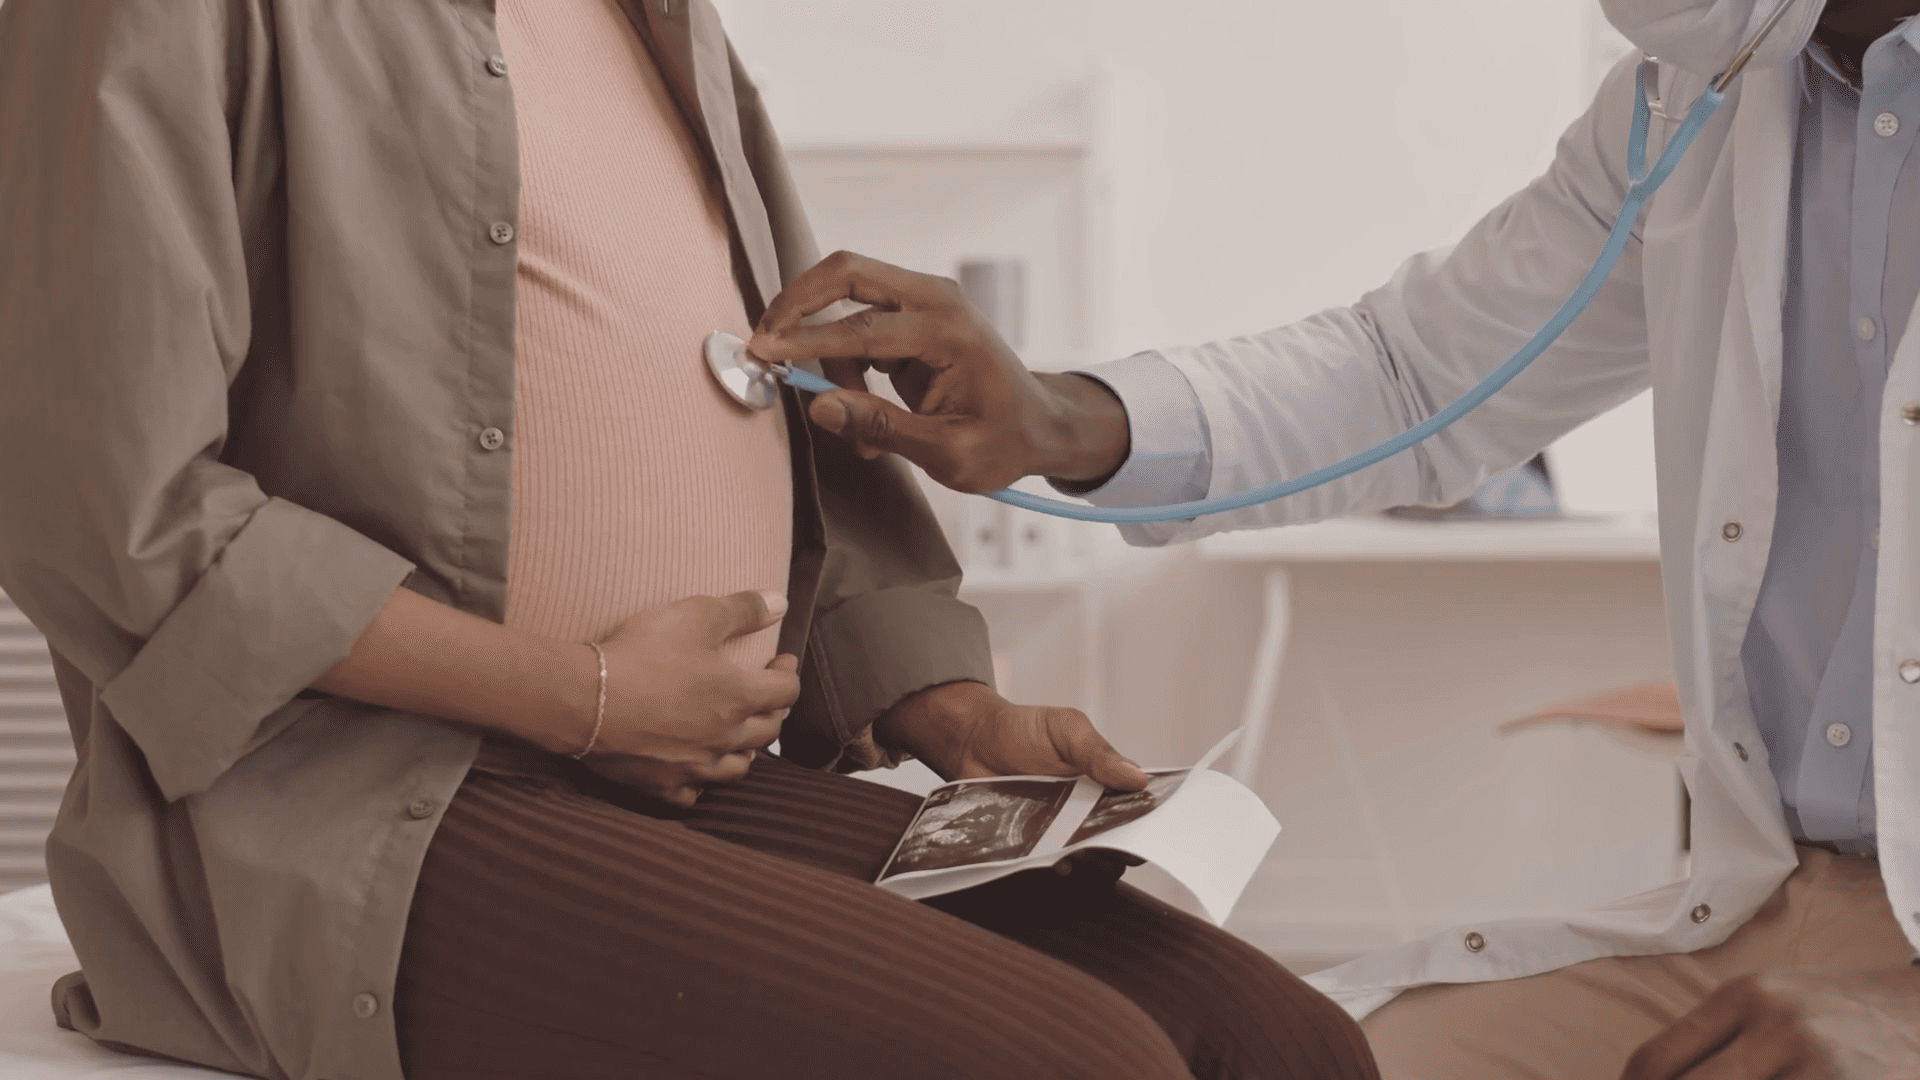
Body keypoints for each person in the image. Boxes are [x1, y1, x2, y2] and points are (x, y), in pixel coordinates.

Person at [0, 0, 1380, 1078]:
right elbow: (106, 507)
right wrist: (582, 697)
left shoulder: (662, 24)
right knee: (1091, 1068)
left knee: (1288, 1046)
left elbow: (771, 391)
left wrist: (953, 715)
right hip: (360, 803)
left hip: (669, 780)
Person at [749, 0, 1920, 1076]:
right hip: (1778, 906)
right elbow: (1413, 374)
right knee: (1297, 1056)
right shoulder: (1691, 99)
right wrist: (1062, 419)